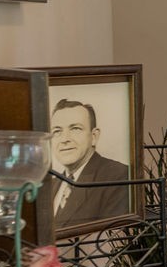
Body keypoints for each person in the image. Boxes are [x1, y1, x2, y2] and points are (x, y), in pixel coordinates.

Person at [49, 97, 131, 227]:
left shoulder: (119, 176)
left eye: (75, 129)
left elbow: (113, 237)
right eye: (57, 131)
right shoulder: (49, 186)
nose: (64, 139)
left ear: (94, 136)